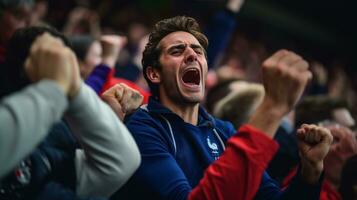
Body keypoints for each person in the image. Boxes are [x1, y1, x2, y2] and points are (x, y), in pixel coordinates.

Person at [111, 16, 333, 200]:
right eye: (177, 51)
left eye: (198, 51)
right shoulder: (142, 127)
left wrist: (310, 174)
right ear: (154, 74)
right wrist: (271, 109)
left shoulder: (223, 131)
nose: (192, 55)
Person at [0, 28, 141, 199]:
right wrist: (57, 87)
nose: (65, 67)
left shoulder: (57, 135)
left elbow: (122, 162)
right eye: (58, 62)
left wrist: (73, 90)